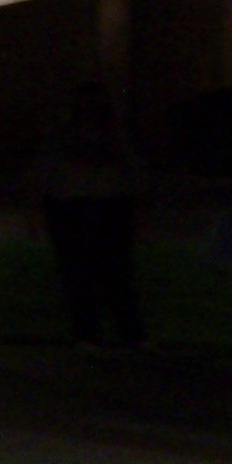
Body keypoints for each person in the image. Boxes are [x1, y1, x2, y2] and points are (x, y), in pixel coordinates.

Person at [40, 81, 145, 348]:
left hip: (103, 203)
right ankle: (94, 332)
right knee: (83, 272)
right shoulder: (65, 135)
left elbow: (129, 168)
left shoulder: (111, 134)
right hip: (76, 204)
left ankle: (122, 332)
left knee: (112, 272)